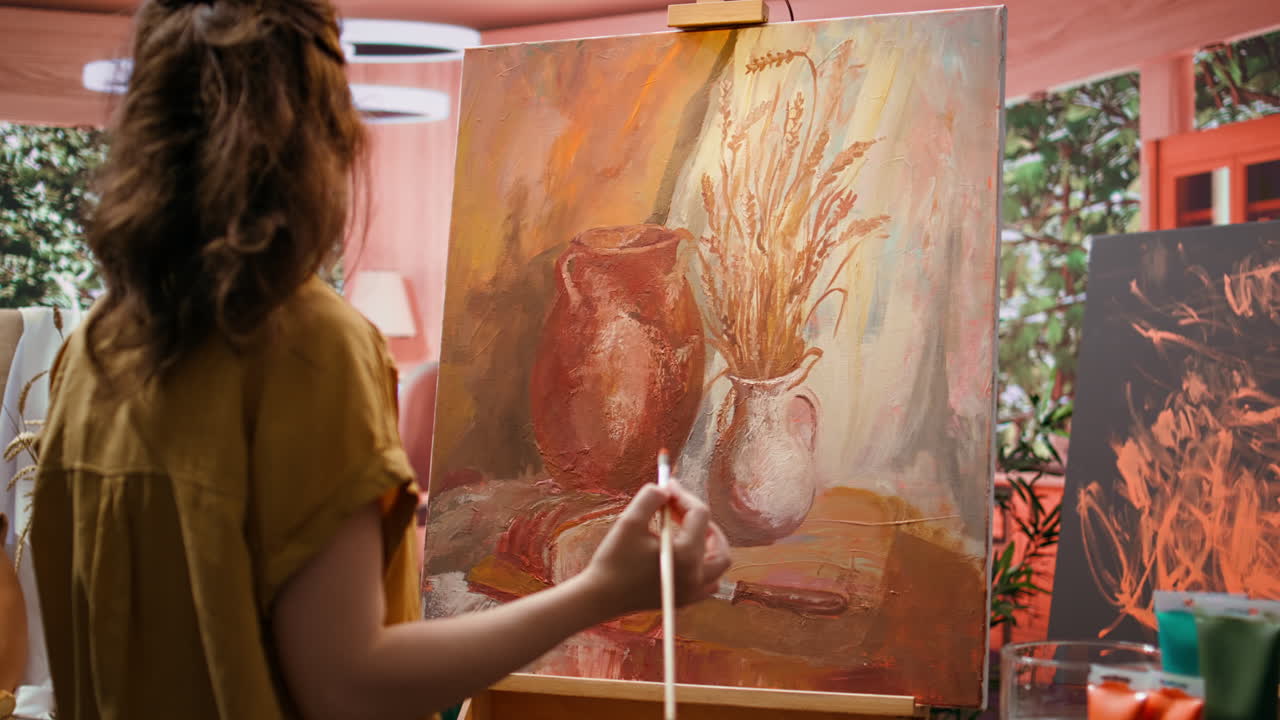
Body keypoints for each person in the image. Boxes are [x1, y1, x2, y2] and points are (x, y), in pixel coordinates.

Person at [28, 1, 732, 719]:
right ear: (321, 127)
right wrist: (600, 592)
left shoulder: (91, 353)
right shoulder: (304, 346)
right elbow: (349, 683)